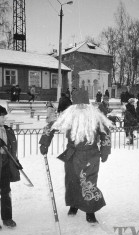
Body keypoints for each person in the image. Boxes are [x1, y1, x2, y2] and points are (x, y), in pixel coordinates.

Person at [39, 89, 112, 224]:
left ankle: (90, 211)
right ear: (73, 106)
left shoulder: (95, 117)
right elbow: (51, 126)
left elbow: (105, 132)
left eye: (83, 106)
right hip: (72, 155)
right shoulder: (68, 116)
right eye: (78, 106)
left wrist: (105, 150)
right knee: (72, 181)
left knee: (89, 182)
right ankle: (74, 204)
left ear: (87, 105)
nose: (80, 108)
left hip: (91, 155)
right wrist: (44, 143)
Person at [0, 105, 20, 229]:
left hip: (6, 164)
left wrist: (16, 161)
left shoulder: (7, 130)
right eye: (1, 117)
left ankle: (7, 218)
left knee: (6, 192)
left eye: (3, 116)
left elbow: (12, 149)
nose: (3, 119)